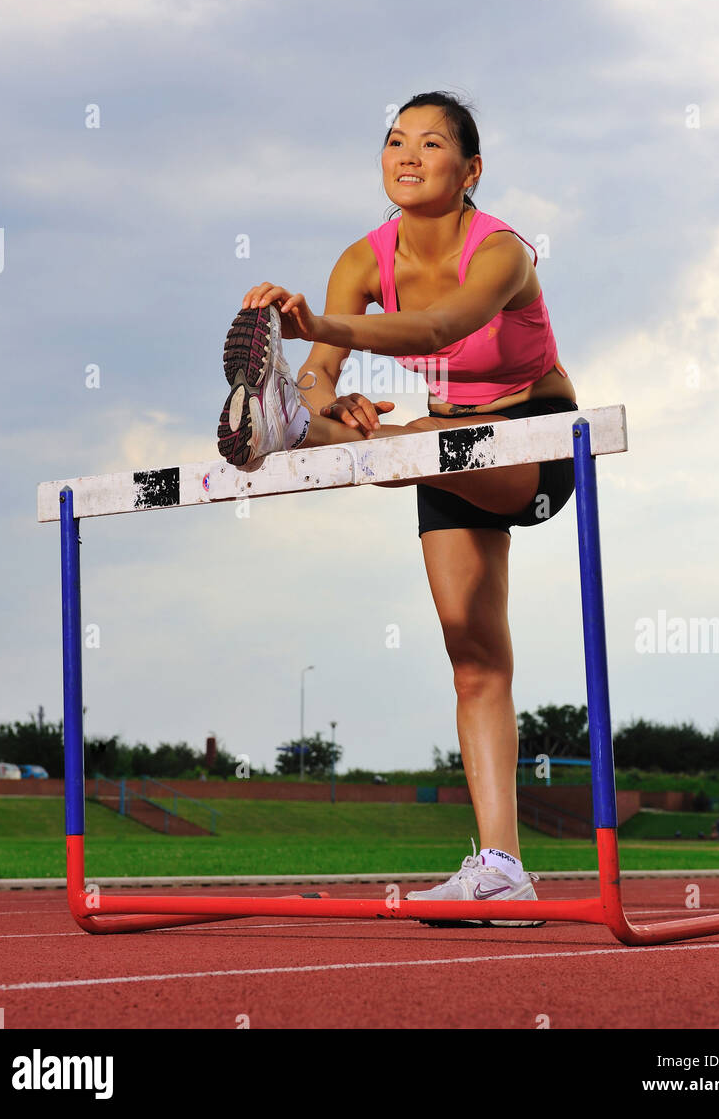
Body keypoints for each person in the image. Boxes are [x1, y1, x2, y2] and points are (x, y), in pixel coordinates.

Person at [216, 91, 579, 926]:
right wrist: (323, 396)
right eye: (393, 141)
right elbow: (324, 368)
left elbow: (437, 326)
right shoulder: (361, 258)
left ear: (470, 170)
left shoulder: (502, 253)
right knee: (474, 663)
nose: (407, 155)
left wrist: (320, 324)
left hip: (534, 441)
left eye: (430, 143)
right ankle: (502, 871)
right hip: (438, 454)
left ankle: (290, 433)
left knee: (405, 442)